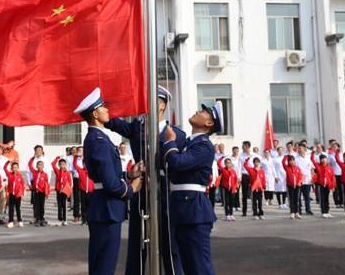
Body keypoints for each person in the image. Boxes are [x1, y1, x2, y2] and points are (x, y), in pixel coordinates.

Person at [104, 85, 185, 275]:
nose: (147, 104)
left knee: (170, 247)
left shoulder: (177, 135)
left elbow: (181, 165)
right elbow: (111, 122)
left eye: (153, 100)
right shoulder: (136, 127)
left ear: (162, 105)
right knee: (138, 245)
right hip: (141, 192)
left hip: (166, 193)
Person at [75, 87, 142, 275]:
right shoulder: (98, 140)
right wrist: (131, 189)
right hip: (107, 207)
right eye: (103, 107)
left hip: (104, 206)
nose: (107, 110)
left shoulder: (98, 138)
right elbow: (110, 183)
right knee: (104, 264)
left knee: (102, 260)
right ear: (95, 113)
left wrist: (129, 175)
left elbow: (107, 173)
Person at [161, 101, 222, 275]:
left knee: (199, 267)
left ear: (209, 124)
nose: (197, 111)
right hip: (182, 208)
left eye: (204, 112)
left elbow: (178, 163)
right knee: (188, 266)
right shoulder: (190, 142)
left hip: (194, 211)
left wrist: (170, 143)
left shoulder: (204, 145)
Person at [310, 153, 336, 218]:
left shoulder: (330, 168)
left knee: (327, 198)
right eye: (322, 159)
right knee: (322, 199)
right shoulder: (318, 166)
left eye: (324, 159)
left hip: (327, 185)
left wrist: (333, 186)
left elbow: (332, 177)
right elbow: (312, 159)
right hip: (320, 185)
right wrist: (313, 152)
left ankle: (327, 211)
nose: (323, 160)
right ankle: (323, 211)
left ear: (327, 160)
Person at [237, 141, 259, 217]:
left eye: (243, 146)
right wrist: (239, 177)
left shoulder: (255, 155)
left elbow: (259, 165)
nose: (242, 147)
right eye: (242, 146)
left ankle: (255, 211)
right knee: (244, 194)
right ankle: (244, 211)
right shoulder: (241, 156)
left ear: (247, 147)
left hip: (253, 175)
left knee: (254, 194)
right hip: (245, 176)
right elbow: (239, 167)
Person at [52, 156, 73, 226]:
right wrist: (57, 158)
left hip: (65, 191)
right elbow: (52, 164)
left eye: (63, 164)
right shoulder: (57, 171)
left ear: (65, 165)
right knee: (59, 205)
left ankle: (65, 219)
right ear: (59, 165)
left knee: (64, 205)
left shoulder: (68, 173)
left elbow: (70, 182)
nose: (62, 165)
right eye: (61, 164)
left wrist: (69, 190)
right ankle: (60, 218)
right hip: (59, 190)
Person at [295, 142, 314, 215]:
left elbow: (312, 168)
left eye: (301, 148)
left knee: (307, 196)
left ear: (304, 149)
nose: (299, 150)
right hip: (299, 181)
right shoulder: (296, 159)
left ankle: (308, 209)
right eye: (298, 148)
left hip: (307, 180)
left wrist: (312, 177)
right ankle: (299, 210)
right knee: (298, 197)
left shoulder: (308, 158)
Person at [4, 161, 25, 228]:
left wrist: (22, 193)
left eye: (16, 167)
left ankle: (20, 221)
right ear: (11, 168)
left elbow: (22, 185)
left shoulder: (20, 176)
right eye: (13, 167)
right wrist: (8, 162)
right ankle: (10, 221)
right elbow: (4, 168)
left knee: (18, 208)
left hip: (18, 194)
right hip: (11, 194)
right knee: (11, 208)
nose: (14, 168)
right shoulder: (9, 175)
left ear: (18, 168)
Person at [29, 160, 50, 227]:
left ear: (43, 166)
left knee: (42, 206)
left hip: (42, 192)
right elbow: (30, 165)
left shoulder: (45, 174)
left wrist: (47, 193)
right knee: (36, 206)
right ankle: (37, 219)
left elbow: (47, 184)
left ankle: (42, 218)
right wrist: (33, 158)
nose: (40, 166)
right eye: (39, 165)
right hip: (36, 192)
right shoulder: (34, 172)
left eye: (41, 165)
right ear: (36, 166)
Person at [282, 154, 303, 219]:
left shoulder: (298, 168)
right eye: (290, 160)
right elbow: (283, 162)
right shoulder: (287, 168)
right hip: (290, 186)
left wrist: (299, 182)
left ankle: (297, 212)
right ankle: (292, 212)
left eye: (293, 160)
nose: (292, 162)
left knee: (296, 199)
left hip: (297, 186)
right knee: (291, 200)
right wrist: (286, 156)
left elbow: (301, 176)